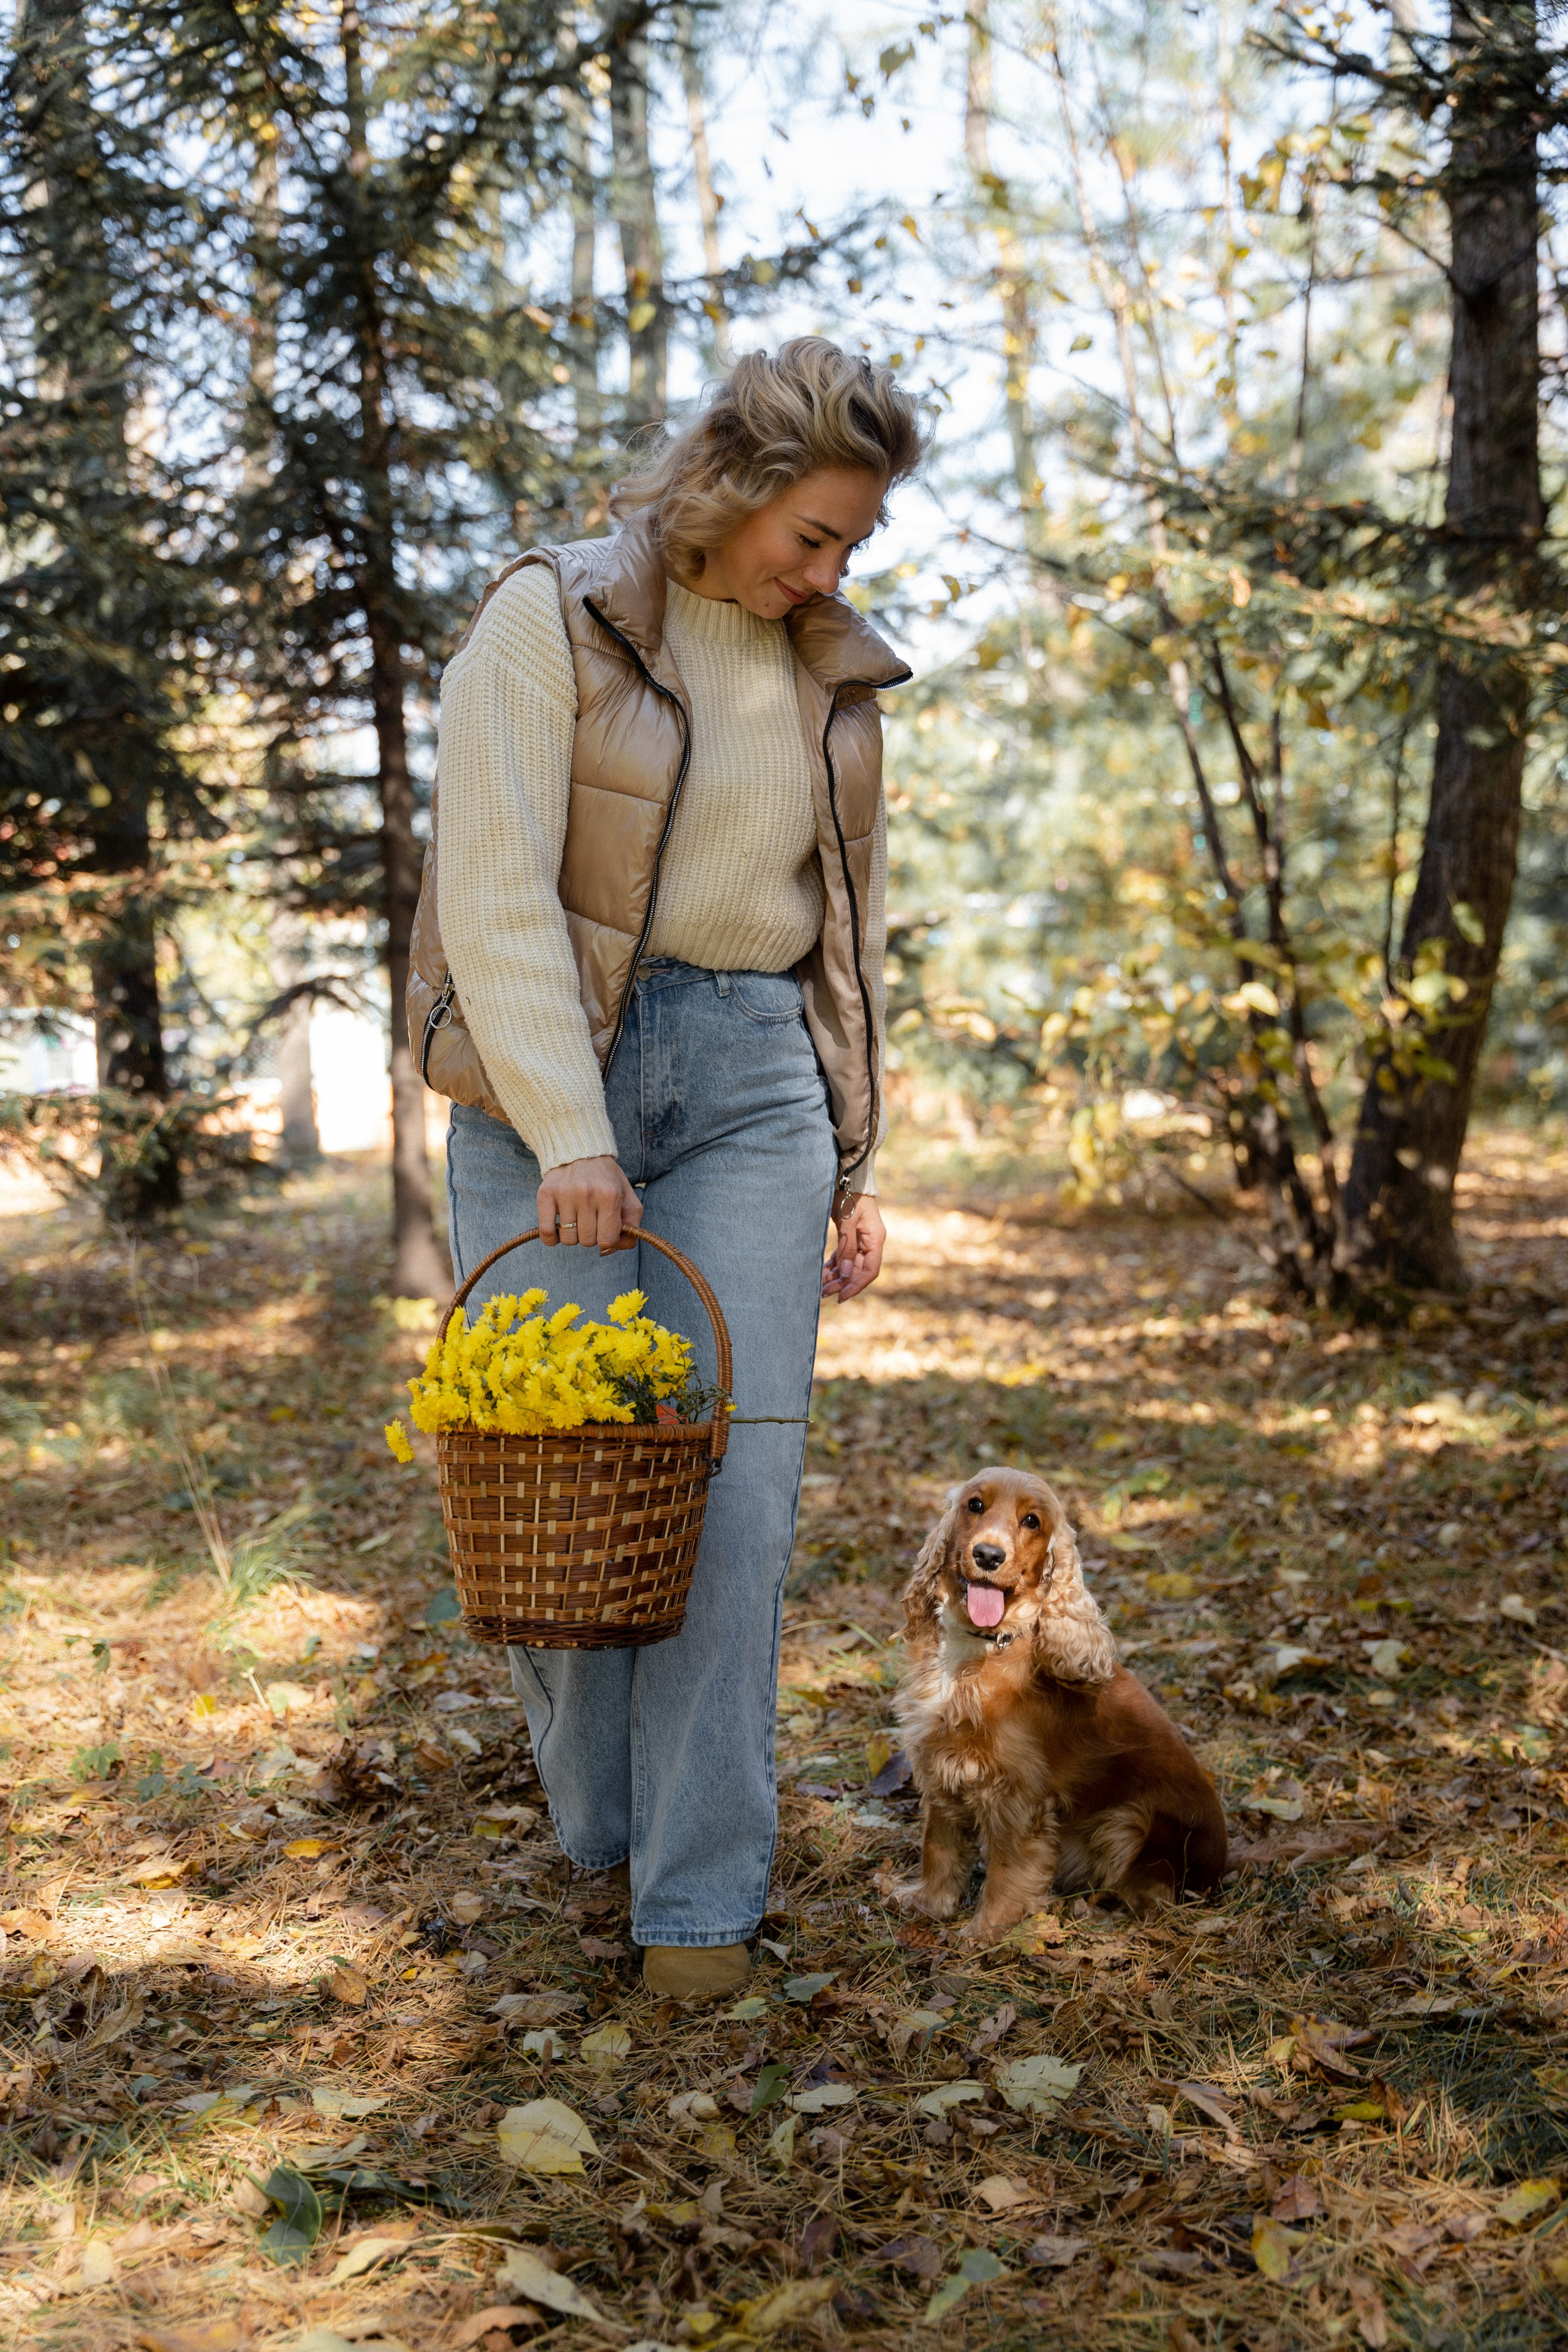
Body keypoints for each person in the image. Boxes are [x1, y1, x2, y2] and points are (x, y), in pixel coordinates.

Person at [408, 337, 926, 1999]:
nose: (828, 570)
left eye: (852, 546)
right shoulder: (547, 618)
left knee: (740, 1498)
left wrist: (848, 1147)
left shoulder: (830, 676)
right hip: (548, 1071)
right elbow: (489, 898)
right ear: (731, 488)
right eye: (813, 535)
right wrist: (570, 1131)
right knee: (558, 1494)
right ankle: (601, 1822)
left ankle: (699, 1903)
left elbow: (843, 924)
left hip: (754, 1082)